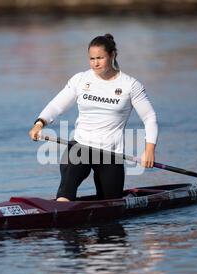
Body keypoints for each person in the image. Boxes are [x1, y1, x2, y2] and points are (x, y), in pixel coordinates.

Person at [29, 33, 158, 201]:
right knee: (67, 188)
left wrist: (149, 151)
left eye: (100, 58)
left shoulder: (130, 85)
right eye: (91, 59)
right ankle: (62, 210)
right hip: (80, 147)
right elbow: (56, 105)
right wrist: (40, 123)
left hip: (111, 153)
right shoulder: (81, 79)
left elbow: (149, 118)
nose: (95, 63)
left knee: (110, 204)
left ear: (112, 55)